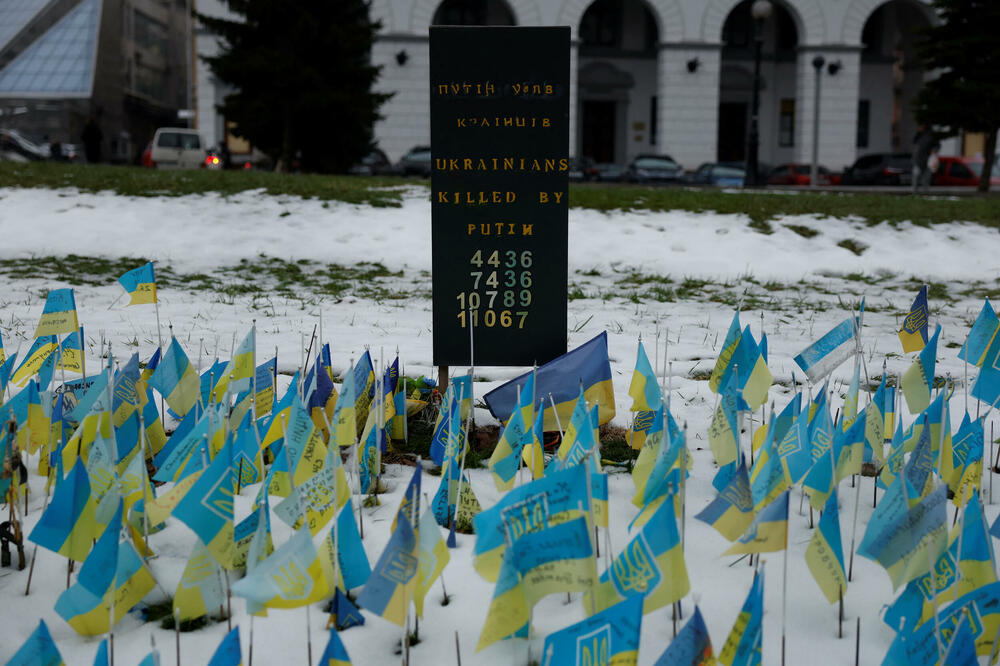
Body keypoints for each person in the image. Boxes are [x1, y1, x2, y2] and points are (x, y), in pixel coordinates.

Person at [912, 123, 939, 193]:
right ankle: (914, 193)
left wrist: (934, 150)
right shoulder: (919, 135)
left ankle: (925, 193)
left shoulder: (931, 135)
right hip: (918, 161)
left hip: (927, 161)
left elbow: (937, 145)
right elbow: (914, 141)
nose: (920, 127)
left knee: (925, 179)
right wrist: (918, 132)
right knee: (916, 176)